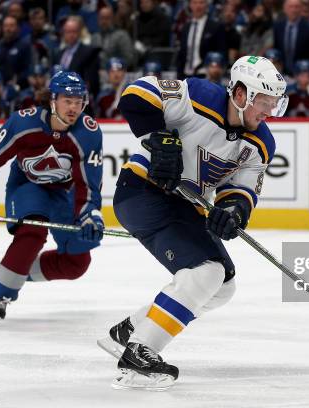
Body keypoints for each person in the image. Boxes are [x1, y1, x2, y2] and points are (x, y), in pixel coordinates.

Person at [101, 55, 288, 389]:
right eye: (263, 101)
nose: (268, 112)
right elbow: (135, 94)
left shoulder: (261, 143)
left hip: (185, 207)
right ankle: (141, 349)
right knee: (208, 271)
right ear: (241, 94)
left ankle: (129, 331)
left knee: (223, 286)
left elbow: (241, 189)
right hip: (143, 191)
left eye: (274, 103)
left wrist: (232, 212)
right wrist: (159, 137)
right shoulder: (200, 96)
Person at [0, 71, 104, 327]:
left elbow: (88, 183)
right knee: (32, 230)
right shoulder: (24, 123)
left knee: (77, 263)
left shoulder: (88, 132)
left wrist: (90, 213)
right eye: (67, 100)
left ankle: (13, 269)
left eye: (78, 101)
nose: (73, 107)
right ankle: (1, 295)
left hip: (65, 193)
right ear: (52, 100)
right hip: (27, 184)